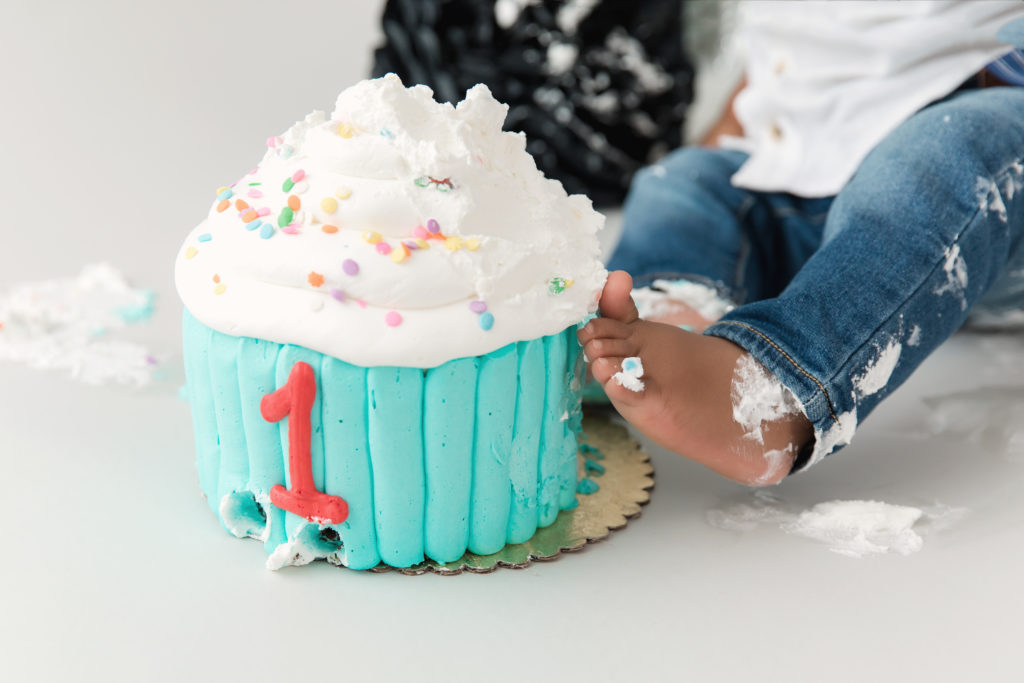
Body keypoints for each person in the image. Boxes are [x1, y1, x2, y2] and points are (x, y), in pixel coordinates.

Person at [579, 1, 1024, 486]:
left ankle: (767, 398)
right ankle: (676, 310)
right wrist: (726, 139)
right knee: (683, 181)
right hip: (816, 176)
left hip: (982, 160)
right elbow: (784, 54)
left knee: (938, 156)